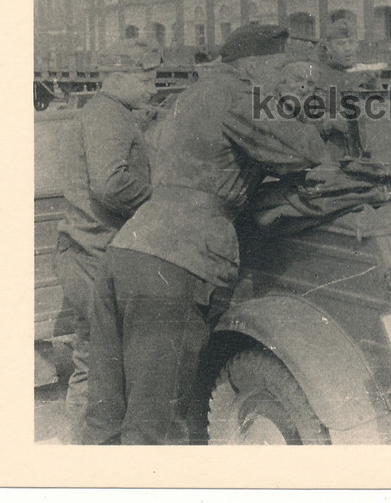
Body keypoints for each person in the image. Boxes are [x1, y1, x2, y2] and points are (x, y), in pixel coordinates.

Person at [83, 24, 331, 445]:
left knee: (107, 415)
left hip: (128, 250)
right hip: (177, 264)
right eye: (278, 68)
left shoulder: (190, 96)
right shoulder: (239, 94)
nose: (283, 78)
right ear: (253, 65)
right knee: (158, 425)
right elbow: (306, 150)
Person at [54, 37, 160, 442]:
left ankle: (85, 441)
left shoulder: (108, 111)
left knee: (96, 353)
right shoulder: (109, 117)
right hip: (92, 255)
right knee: (97, 358)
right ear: (118, 78)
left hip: (89, 250)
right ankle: (81, 447)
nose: (152, 87)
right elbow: (112, 186)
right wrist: (159, 202)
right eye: (145, 79)